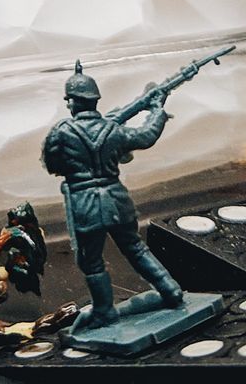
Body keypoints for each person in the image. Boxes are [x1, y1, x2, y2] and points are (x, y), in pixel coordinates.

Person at [42, 62, 184, 327]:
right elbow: (146, 136)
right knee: (136, 249)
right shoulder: (113, 130)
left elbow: (52, 165)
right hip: (117, 199)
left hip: (84, 203)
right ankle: (170, 290)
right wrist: (157, 112)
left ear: (73, 102)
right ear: (94, 100)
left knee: (92, 262)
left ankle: (105, 311)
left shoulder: (62, 132)